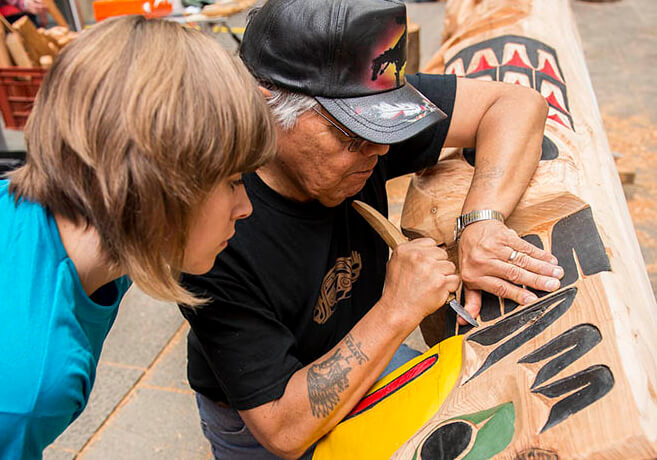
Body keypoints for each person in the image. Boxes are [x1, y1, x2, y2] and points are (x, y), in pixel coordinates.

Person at [179, 0, 565, 458]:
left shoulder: (357, 109)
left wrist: (481, 220)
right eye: (352, 135)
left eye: (386, 123)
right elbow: (282, 429)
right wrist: (398, 309)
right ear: (266, 106)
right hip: (267, 411)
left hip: (368, 348)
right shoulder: (211, 229)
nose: (379, 150)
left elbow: (517, 104)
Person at [0, 15, 275, 459]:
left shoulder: (97, 228)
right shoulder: (31, 384)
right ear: (154, 185)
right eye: (232, 181)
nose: (246, 207)